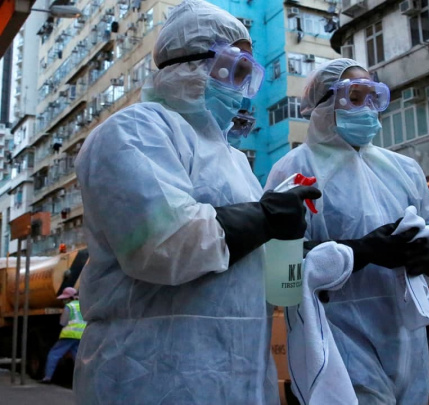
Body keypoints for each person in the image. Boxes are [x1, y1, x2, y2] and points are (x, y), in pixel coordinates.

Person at [73, 1, 320, 403]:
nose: (240, 88)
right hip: (151, 375)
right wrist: (265, 217)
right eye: (234, 69)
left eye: (247, 75)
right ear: (188, 63)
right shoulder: (133, 130)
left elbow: (275, 287)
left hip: (240, 380)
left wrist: (294, 244)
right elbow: (162, 244)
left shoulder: (235, 162)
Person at [266, 58, 429, 404]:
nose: (367, 108)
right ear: (324, 103)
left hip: (407, 343)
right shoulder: (293, 170)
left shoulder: (403, 169)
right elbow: (280, 274)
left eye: (373, 97)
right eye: (354, 97)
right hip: (336, 343)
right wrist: (359, 252)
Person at [40, 287, 85, 384]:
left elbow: (63, 322)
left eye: (64, 299)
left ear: (70, 298)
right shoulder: (83, 305)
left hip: (69, 334)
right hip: (81, 335)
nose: (63, 301)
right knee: (78, 358)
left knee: (54, 354)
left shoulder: (69, 306)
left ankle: (47, 377)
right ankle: (83, 380)